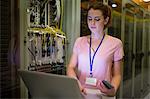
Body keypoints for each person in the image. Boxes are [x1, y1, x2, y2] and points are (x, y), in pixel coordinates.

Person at [67, 1, 124, 98]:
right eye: (89, 19)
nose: (92, 23)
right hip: (81, 92)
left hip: (103, 94)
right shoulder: (79, 41)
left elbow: (117, 74)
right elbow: (70, 67)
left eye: (97, 19)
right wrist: (75, 83)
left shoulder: (116, 43)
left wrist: (113, 89)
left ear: (105, 20)